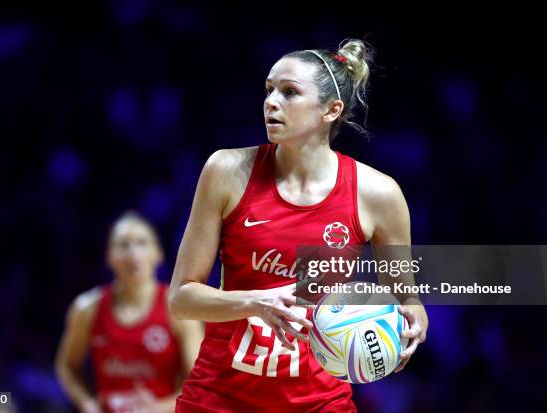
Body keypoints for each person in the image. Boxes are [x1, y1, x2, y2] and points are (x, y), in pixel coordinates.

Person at [167, 38, 429, 412]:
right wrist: (255, 302)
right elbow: (181, 299)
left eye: (289, 92)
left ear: (331, 110)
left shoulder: (378, 194)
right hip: (218, 398)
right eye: (269, 90)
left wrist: (413, 323)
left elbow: (407, 299)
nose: (271, 102)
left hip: (320, 403)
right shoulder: (226, 171)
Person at [56, 211, 203, 413]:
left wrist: (158, 408)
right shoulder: (87, 308)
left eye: (142, 243)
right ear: (109, 257)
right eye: (123, 245)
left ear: (157, 254)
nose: (133, 253)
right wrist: (87, 404)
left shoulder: (178, 309)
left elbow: (198, 382)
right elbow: (67, 366)